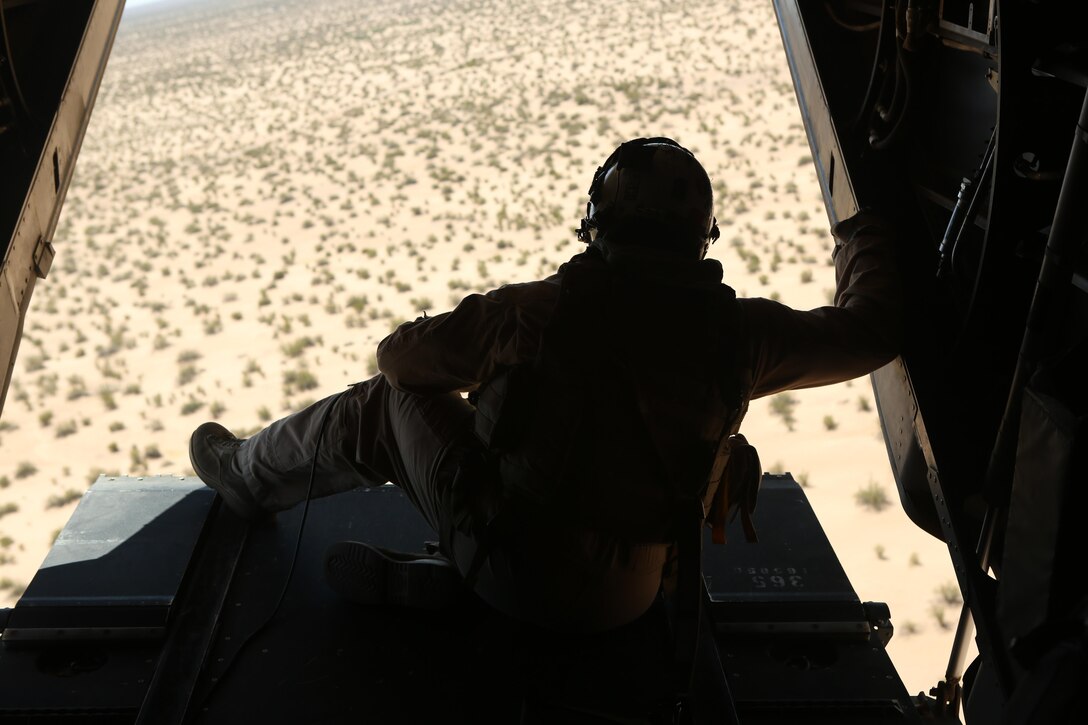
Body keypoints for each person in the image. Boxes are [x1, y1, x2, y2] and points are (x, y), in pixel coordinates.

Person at [189, 137, 903, 632]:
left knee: (382, 404)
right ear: (700, 236)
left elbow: (399, 361)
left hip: (516, 575)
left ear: (598, 223)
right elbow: (867, 332)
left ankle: (247, 477)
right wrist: (868, 227)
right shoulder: (740, 337)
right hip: (640, 597)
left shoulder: (537, 314)